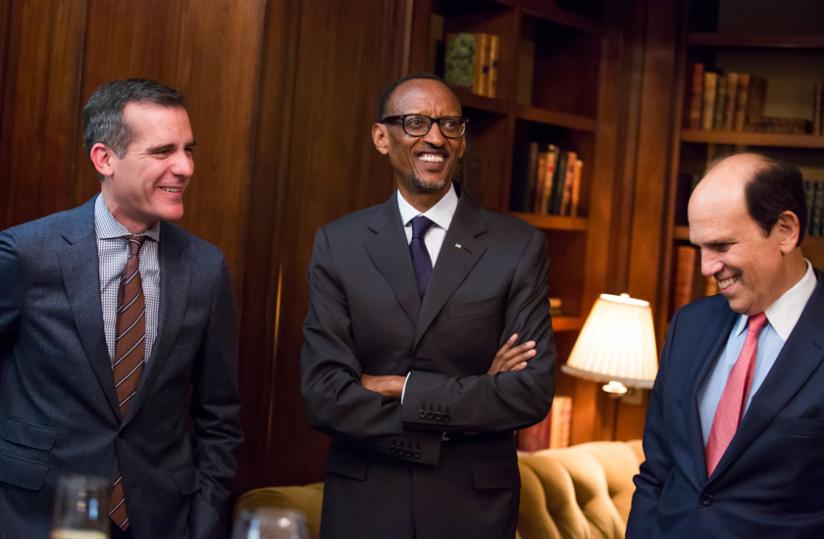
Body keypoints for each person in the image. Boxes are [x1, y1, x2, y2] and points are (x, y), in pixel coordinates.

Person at [300, 73, 556, 539]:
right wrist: (477, 392)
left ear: (462, 140)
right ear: (382, 137)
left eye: (450, 125)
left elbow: (527, 393)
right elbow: (325, 396)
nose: (435, 137)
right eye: (416, 123)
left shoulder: (518, 247)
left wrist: (400, 386)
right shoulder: (339, 243)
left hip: (471, 511)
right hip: (365, 505)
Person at [0, 78, 242, 539]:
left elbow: (220, 416)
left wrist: (204, 522)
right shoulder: (26, 255)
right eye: (162, 151)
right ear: (104, 158)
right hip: (33, 516)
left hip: (159, 521)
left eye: (188, 149)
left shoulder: (205, 268)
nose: (185, 167)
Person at [627, 152, 824, 537]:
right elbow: (657, 471)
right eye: (699, 247)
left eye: (720, 246)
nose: (706, 267)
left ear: (785, 230)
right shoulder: (688, 324)